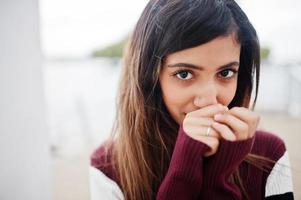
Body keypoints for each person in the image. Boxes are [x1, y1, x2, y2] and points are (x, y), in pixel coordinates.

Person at [89, 0, 294, 199]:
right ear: (150, 78)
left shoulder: (269, 153)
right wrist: (183, 174)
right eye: (184, 74)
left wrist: (219, 175)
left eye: (226, 73)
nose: (209, 100)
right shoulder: (108, 166)